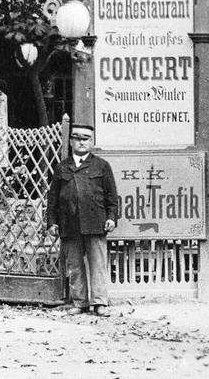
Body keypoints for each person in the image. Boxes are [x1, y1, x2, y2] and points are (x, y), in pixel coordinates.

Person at [47, 123, 120, 316]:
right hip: (69, 223)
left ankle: (100, 303)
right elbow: (52, 198)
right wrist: (52, 222)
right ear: (70, 141)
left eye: (85, 138)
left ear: (92, 141)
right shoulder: (62, 167)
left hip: (95, 222)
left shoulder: (101, 166)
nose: (81, 141)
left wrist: (112, 218)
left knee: (98, 264)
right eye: (77, 138)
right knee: (74, 265)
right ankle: (80, 302)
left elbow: (112, 197)